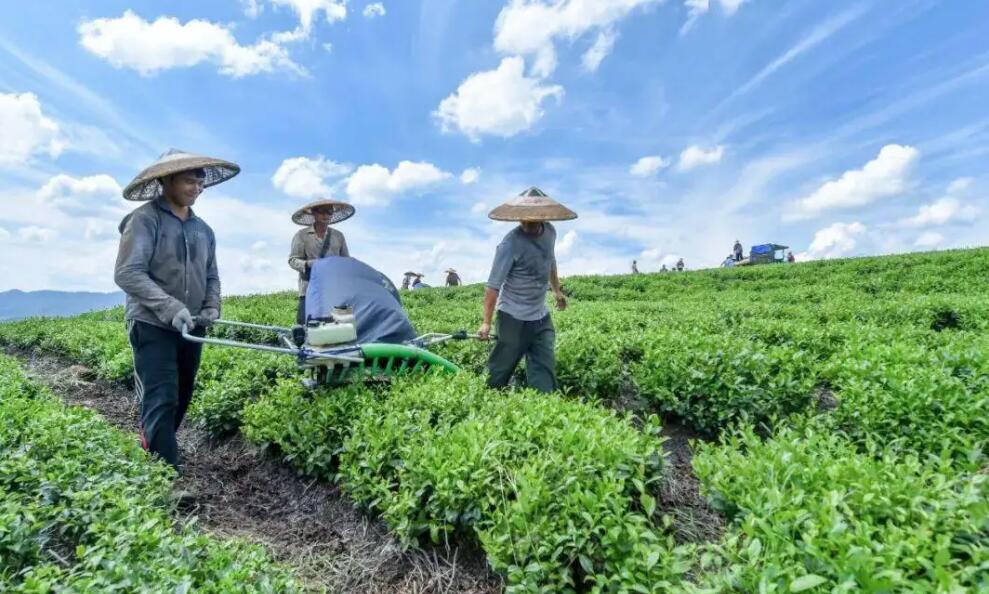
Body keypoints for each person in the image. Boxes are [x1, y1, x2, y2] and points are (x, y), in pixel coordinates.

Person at [115, 149, 239, 470]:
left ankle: (156, 442)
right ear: (167, 180)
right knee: (162, 395)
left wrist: (212, 305)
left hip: (191, 325)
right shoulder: (145, 220)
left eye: (200, 183)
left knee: (183, 392)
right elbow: (128, 272)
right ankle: (164, 471)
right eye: (189, 181)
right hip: (152, 323)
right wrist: (169, 306)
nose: (196, 188)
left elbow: (211, 274)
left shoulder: (203, 230)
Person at [479, 187, 576, 393]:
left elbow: (550, 260)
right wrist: (486, 322)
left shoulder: (550, 232)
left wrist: (557, 291)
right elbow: (492, 287)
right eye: (522, 219)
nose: (526, 223)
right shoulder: (509, 244)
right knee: (497, 375)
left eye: (531, 219)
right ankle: (485, 405)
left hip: (540, 317)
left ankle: (544, 407)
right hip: (512, 317)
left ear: (542, 217)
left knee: (544, 374)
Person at [288, 199, 354, 325]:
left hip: (333, 288)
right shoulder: (302, 235)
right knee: (305, 324)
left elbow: (346, 261)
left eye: (329, 212)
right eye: (322, 211)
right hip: (309, 287)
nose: (326, 215)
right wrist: (308, 264)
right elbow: (292, 260)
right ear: (314, 213)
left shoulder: (338, 236)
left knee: (338, 325)